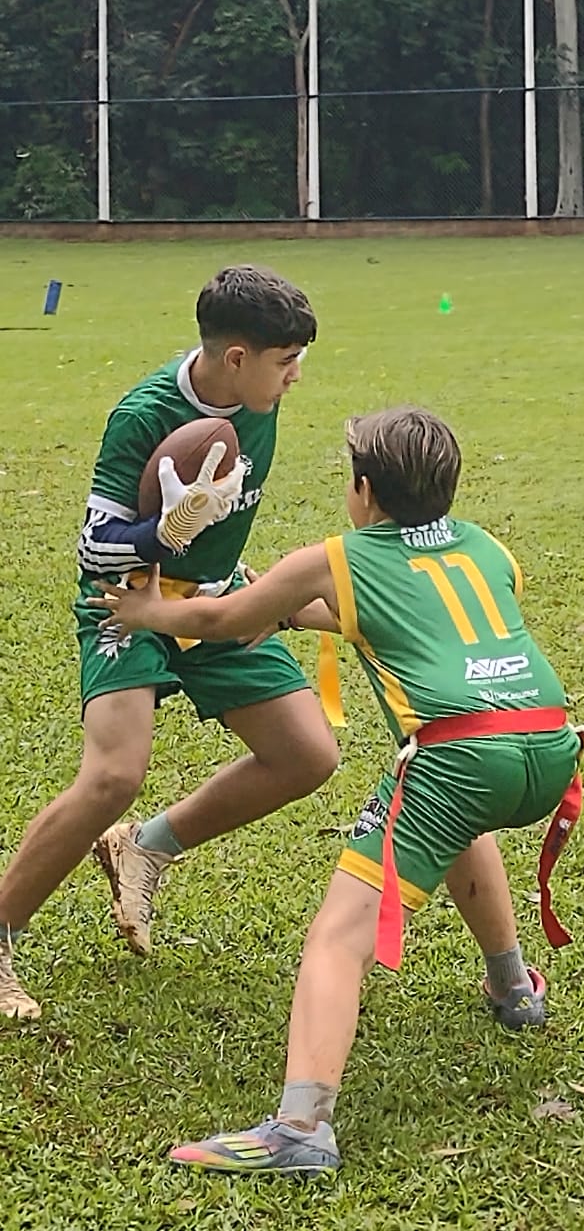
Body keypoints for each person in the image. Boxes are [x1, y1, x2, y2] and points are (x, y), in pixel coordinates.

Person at [88, 406, 584, 1176]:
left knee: (338, 936)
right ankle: (512, 985)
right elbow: (396, 613)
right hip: (548, 750)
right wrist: (292, 611)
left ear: (362, 488)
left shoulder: (336, 555)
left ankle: (300, 1127)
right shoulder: (487, 548)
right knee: (464, 823)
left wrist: (151, 610)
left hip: (458, 760)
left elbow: (222, 619)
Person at [0, 266, 340, 1021]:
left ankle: (144, 848)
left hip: (213, 602)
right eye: (285, 365)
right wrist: (165, 533)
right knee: (112, 774)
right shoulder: (145, 414)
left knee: (307, 754)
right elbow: (96, 547)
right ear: (237, 358)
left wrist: (246, 588)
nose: (294, 382)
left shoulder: (255, 393)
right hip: (130, 602)